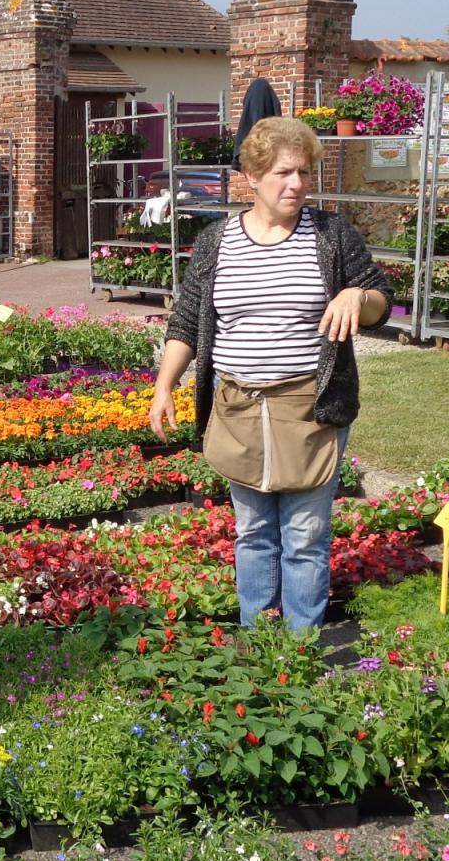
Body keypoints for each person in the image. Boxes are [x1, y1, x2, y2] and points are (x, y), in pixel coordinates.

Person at [148, 116, 389, 629]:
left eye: (304, 172)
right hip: (237, 403)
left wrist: (357, 294)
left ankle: (300, 648)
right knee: (252, 529)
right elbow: (187, 321)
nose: (296, 184)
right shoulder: (217, 242)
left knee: (305, 534)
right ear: (252, 176)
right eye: (283, 172)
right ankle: (259, 639)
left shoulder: (331, 235)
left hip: (310, 406)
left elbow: (380, 304)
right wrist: (164, 387)